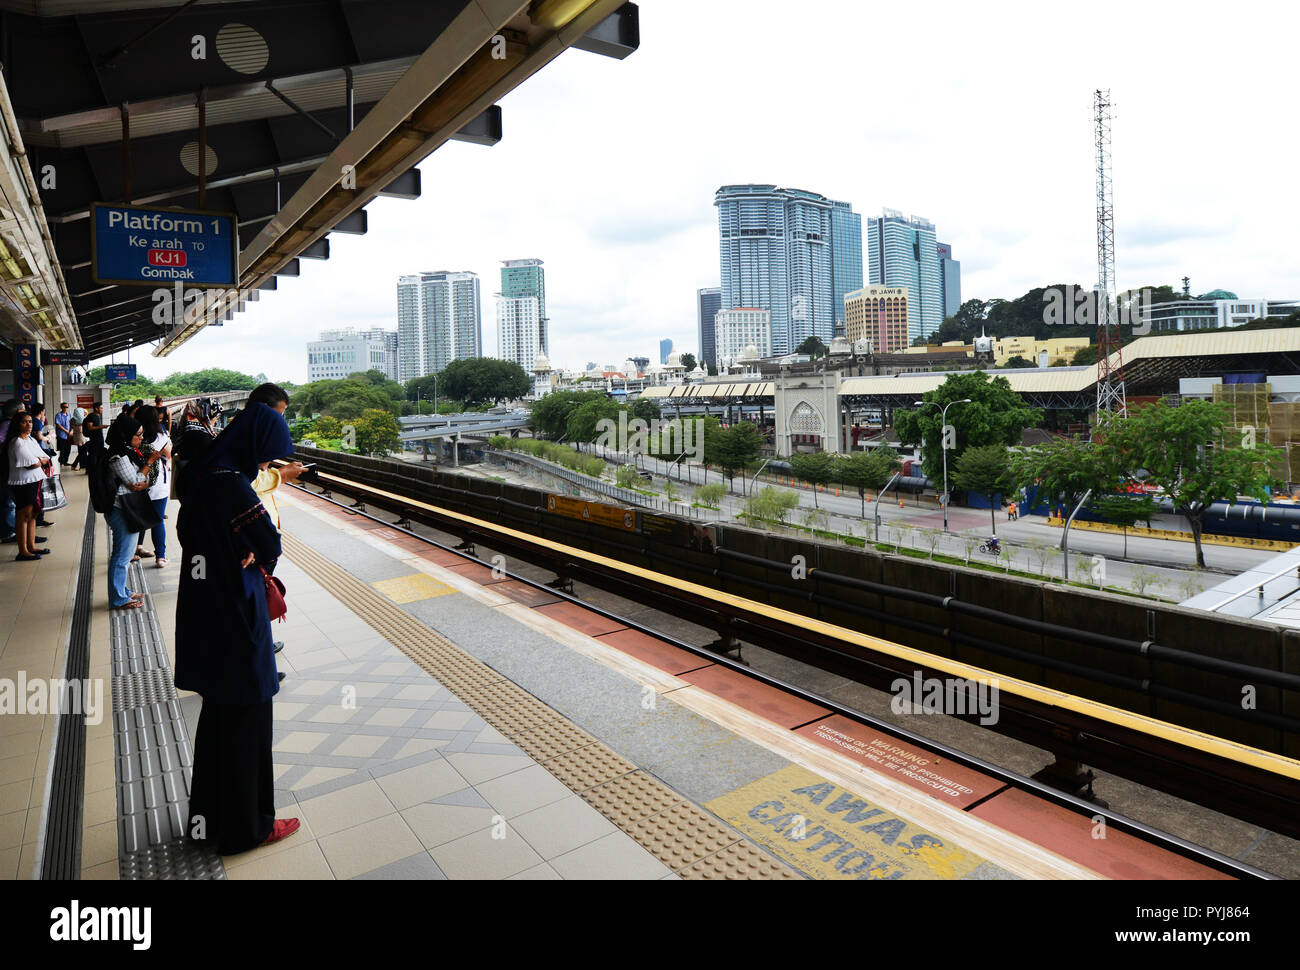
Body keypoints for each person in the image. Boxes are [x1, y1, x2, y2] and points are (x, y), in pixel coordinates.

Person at [175, 403, 300, 854]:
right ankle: (250, 828)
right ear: (254, 446)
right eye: (268, 456)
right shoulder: (234, 486)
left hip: (206, 616)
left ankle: (206, 824)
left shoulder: (202, 478)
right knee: (248, 724)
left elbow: (190, 534)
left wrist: (234, 549)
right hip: (237, 617)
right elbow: (270, 543)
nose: (267, 465)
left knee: (218, 724)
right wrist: (250, 552)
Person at [104, 417, 162, 610]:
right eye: (138, 435)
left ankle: (122, 591)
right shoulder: (117, 456)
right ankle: (118, 598)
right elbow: (134, 482)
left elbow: (140, 482)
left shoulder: (126, 451)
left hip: (127, 507)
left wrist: (143, 480)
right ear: (126, 436)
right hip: (121, 509)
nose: (141, 438)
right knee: (121, 556)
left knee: (125, 554)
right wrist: (150, 462)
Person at [7, 412, 52, 561]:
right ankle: (23, 551)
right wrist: (40, 460)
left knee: (33, 514)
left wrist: (40, 459)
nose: (29, 425)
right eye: (24, 422)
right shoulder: (16, 442)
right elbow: (31, 463)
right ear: (17, 424)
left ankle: (31, 546)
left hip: (35, 481)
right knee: (24, 515)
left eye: (30, 422)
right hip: (23, 483)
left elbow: (45, 456)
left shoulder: (31, 439)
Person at [134, 406, 172, 567]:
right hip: (157, 483)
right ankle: (160, 558)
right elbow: (169, 455)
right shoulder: (162, 436)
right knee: (157, 520)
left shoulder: (135, 436)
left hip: (137, 480)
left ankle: (135, 549)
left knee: (138, 518)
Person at [0, 400, 19, 543]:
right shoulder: (7, 424)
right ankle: (8, 532)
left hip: (8, 467)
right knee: (8, 502)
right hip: (4, 468)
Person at [68, 405, 86, 471]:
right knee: (82, 452)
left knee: (81, 451)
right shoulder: (82, 419)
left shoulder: (72, 420)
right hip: (82, 436)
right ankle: (74, 465)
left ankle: (82, 465)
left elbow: (71, 428)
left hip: (76, 436)